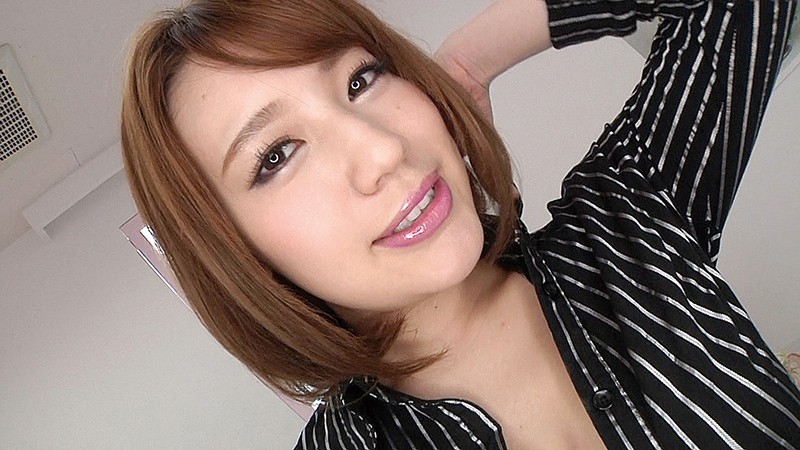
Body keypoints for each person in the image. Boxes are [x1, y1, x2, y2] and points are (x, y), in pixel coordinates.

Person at [120, 0, 800, 448]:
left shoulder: (624, 217)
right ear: (234, 252)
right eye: (277, 155)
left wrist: (472, 59)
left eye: (362, 79)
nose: (383, 150)